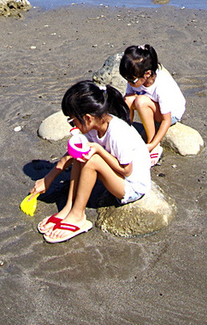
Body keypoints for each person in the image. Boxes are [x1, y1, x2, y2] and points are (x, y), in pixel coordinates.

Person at [29, 81, 151, 244]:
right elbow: (71, 155)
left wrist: (99, 151)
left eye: (73, 121)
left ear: (87, 118)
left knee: (92, 158)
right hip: (117, 175)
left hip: (132, 185)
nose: (73, 126)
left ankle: (78, 216)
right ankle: (69, 207)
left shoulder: (118, 133)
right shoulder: (94, 127)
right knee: (81, 153)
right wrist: (48, 178)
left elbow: (127, 170)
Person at [120, 44, 187, 165]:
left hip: (171, 113)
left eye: (132, 80)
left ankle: (152, 144)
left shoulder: (161, 84)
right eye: (126, 79)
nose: (129, 82)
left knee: (141, 101)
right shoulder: (135, 77)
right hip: (151, 104)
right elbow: (128, 100)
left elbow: (166, 120)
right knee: (127, 100)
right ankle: (127, 133)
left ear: (147, 74)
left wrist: (153, 144)